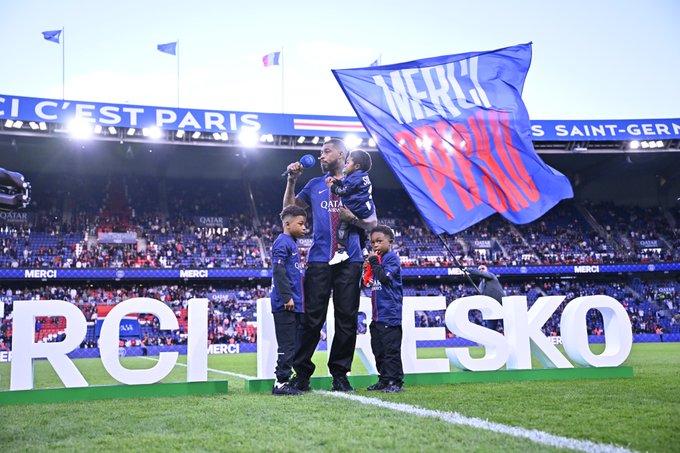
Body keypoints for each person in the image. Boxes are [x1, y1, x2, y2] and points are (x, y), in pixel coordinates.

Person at [283, 138, 378, 392]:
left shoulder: (357, 183)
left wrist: (352, 219)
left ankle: (340, 375)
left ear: (341, 154)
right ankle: (301, 376)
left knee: (346, 319)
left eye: (326, 151)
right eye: (320, 152)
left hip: (351, 259)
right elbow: (289, 211)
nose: (321, 156)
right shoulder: (315, 184)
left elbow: (372, 222)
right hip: (319, 260)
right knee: (312, 319)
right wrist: (291, 180)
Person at [270, 205, 307, 396]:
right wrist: (287, 297)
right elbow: (278, 270)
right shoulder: (282, 242)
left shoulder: (291, 243)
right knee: (287, 345)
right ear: (287, 224)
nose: (304, 228)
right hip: (285, 304)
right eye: (300, 224)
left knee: (293, 345)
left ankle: (287, 380)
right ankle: (281, 382)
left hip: (295, 304)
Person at [364, 225, 404, 393]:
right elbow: (368, 283)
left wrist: (374, 262)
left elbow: (385, 279)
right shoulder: (378, 261)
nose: (375, 245)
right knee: (379, 350)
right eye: (373, 242)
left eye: (379, 241)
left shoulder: (391, 259)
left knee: (390, 352)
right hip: (377, 316)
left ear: (391, 242)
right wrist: (367, 269)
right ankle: (384, 379)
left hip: (389, 315)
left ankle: (395, 382)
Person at [325, 149, 375, 265]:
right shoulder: (362, 175)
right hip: (365, 208)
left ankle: (341, 252)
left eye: (348, 162)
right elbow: (347, 184)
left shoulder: (353, 178)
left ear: (356, 166)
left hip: (356, 208)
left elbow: (342, 192)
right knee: (359, 229)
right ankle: (364, 249)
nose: (345, 164)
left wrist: (331, 186)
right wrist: (337, 181)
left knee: (341, 226)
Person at [466, 264, 505, 331]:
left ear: (487, 270)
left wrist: (468, 270)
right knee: (491, 329)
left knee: (506, 325)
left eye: (483, 268)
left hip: (500, 304)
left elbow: (481, 274)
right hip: (490, 307)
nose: (481, 270)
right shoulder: (480, 285)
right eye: (479, 269)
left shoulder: (491, 276)